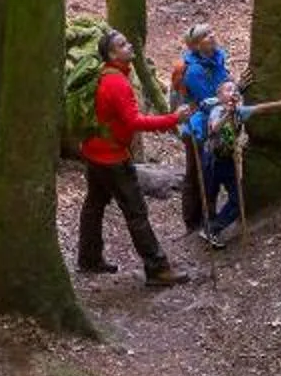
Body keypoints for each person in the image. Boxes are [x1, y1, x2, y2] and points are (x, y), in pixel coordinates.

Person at [79, 28, 189, 286]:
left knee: (94, 204)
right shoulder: (116, 82)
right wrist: (174, 118)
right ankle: (158, 268)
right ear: (111, 54)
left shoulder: (105, 75)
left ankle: (89, 258)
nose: (129, 45)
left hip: (94, 152)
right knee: (136, 211)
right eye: (122, 44)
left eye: (127, 41)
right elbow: (133, 122)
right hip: (111, 158)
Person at [172, 26, 242, 243]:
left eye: (211, 32)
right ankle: (194, 222)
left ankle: (209, 221)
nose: (212, 36)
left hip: (216, 127)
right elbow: (211, 99)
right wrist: (237, 89)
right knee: (196, 174)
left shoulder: (218, 59)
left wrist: (236, 90)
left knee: (209, 173)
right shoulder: (194, 71)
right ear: (195, 45)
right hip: (198, 129)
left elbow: (224, 89)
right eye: (205, 35)